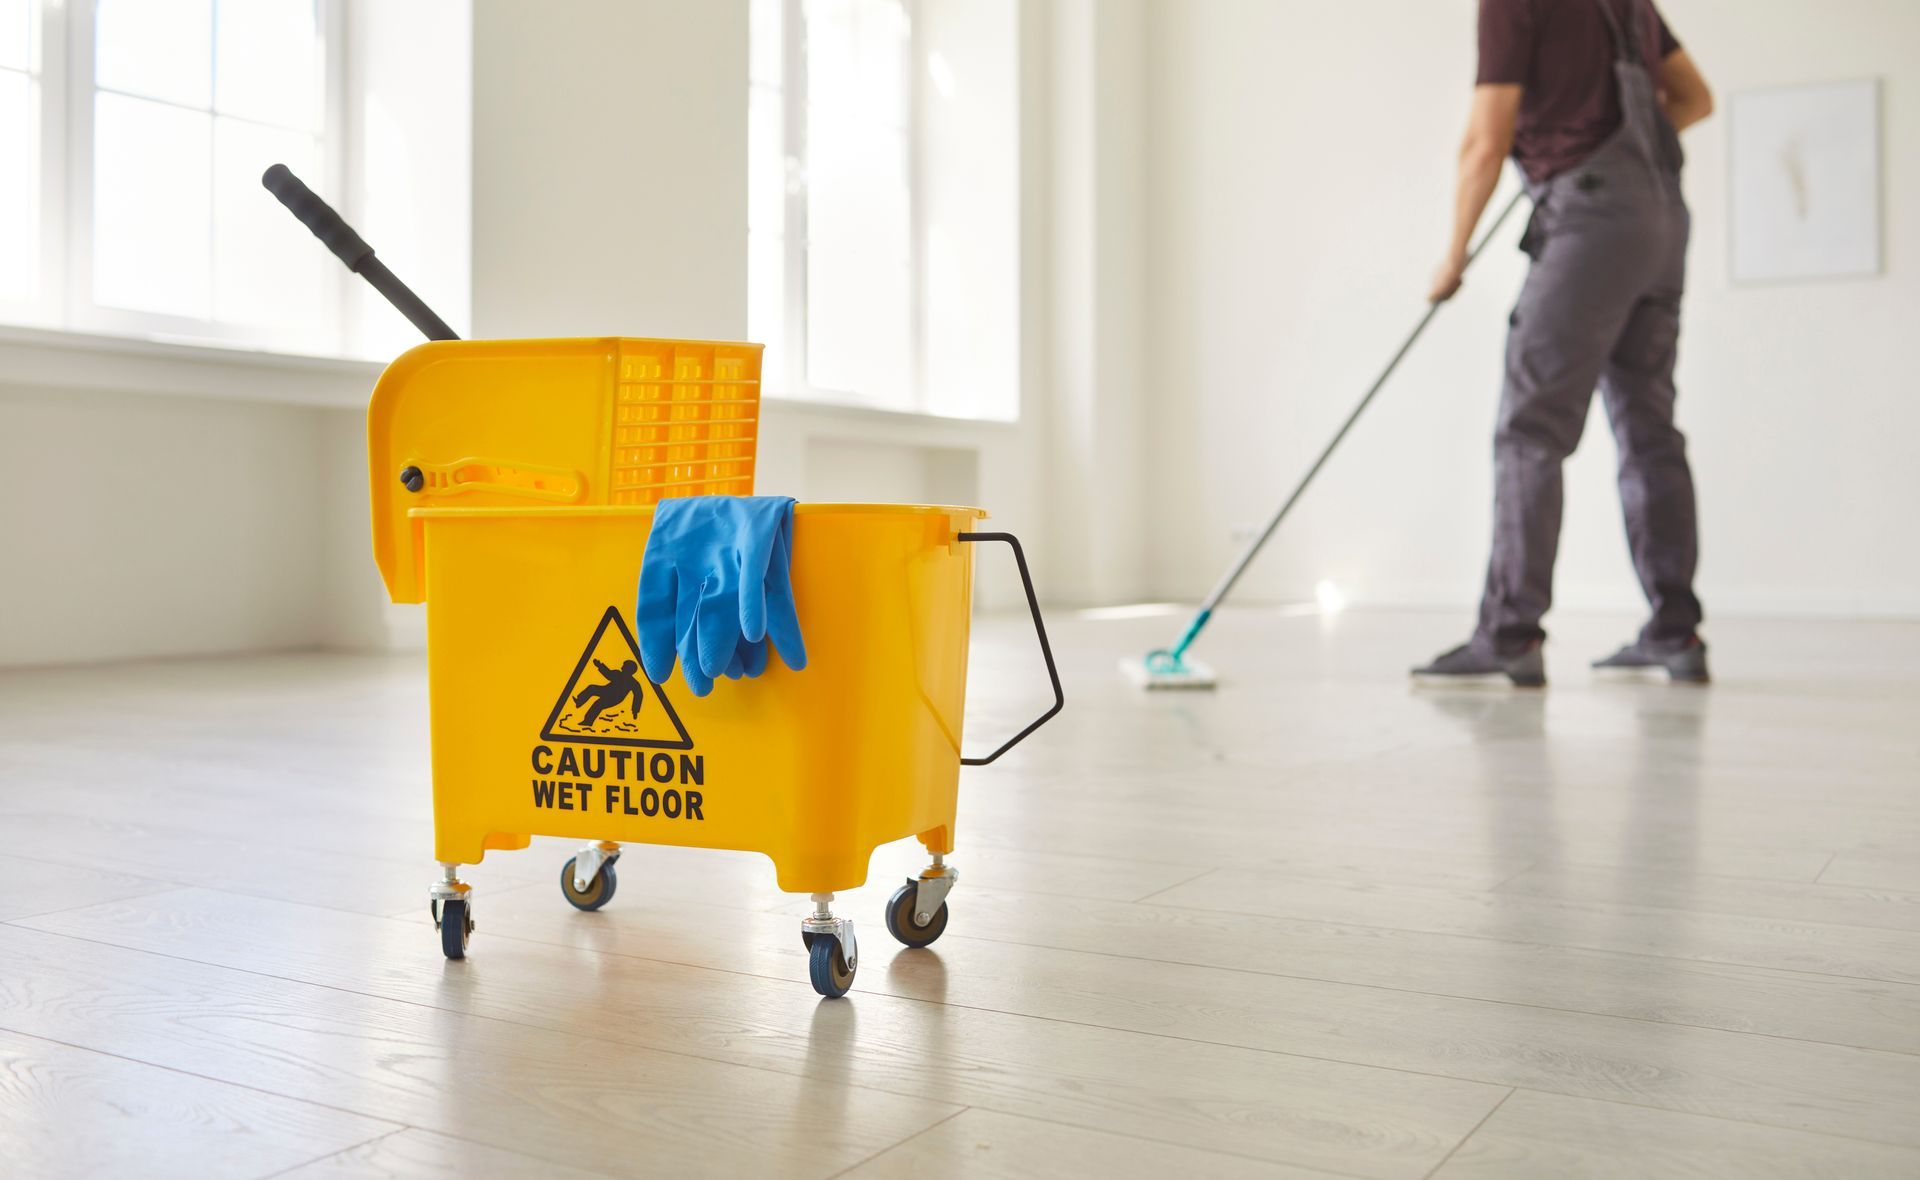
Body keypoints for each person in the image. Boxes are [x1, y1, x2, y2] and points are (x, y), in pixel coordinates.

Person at [1414, 0, 1715, 687]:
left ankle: (1510, 634)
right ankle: (1676, 631)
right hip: (1662, 216)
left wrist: (1452, 256)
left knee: (1531, 430)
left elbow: (1485, 141)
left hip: (1591, 216)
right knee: (1649, 428)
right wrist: (1625, 152)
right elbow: (1694, 99)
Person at [574, 659, 644, 727]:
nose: (622, 667)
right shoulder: (618, 673)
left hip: (614, 698)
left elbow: (638, 695)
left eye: (624, 666)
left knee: (598, 704)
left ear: (629, 669)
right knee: (592, 688)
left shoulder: (633, 682)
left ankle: (588, 721)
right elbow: (608, 674)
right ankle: (579, 701)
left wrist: (635, 710)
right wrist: (599, 665)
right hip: (606, 691)